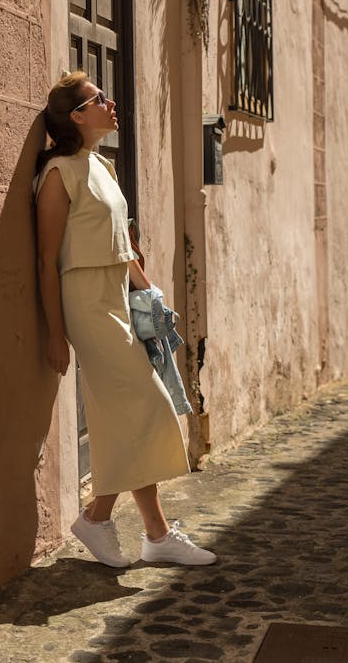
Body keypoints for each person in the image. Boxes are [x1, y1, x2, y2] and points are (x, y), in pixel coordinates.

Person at [34, 70, 216, 567]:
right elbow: (47, 259)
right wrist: (56, 333)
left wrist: (149, 290)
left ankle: (132, 528)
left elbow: (123, 245)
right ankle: (120, 525)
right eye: (99, 99)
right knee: (147, 404)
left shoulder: (103, 168)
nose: (111, 104)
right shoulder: (59, 174)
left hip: (117, 297)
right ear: (76, 116)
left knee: (130, 412)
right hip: (86, 303)